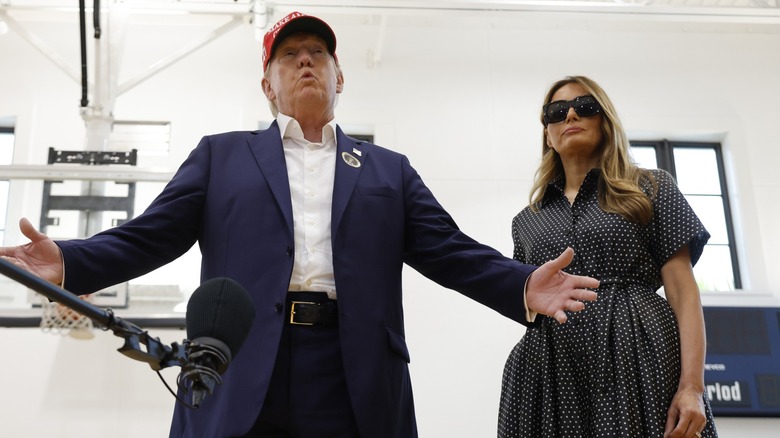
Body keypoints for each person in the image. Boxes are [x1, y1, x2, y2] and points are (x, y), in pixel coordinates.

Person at [0, 13, 599, 438]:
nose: (306, 60)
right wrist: (70, 263)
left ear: (341, 77)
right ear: (268, 85)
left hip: (353, 371)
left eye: (318, 53)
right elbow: (150, 234)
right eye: (289, 54)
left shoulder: (388, 170)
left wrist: (520, 285)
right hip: (240, 367)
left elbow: (449, 250)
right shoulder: (220, 155)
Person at [497, 75, 718, 438]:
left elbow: (683, 291)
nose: (570, 116)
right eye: (556, 112)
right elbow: (528, 308)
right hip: (549, 373)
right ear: (548, 134)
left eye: (584, 107)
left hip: (641, 359)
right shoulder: (526, 221)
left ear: (605, 121)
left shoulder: (650, 187)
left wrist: (692, 386)